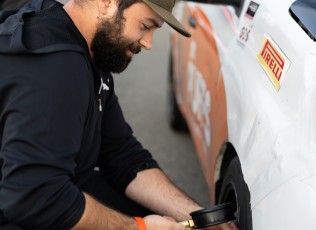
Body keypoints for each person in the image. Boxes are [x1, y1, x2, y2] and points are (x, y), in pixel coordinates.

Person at [0, 0, 237, 229]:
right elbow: (34, 196)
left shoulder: (88, 50)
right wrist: (138, 227)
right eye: (145, 26)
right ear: (106, 3)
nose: (148, 43)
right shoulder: (55, 68)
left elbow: (121, 154)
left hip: (54, 190)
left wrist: (195, 216)